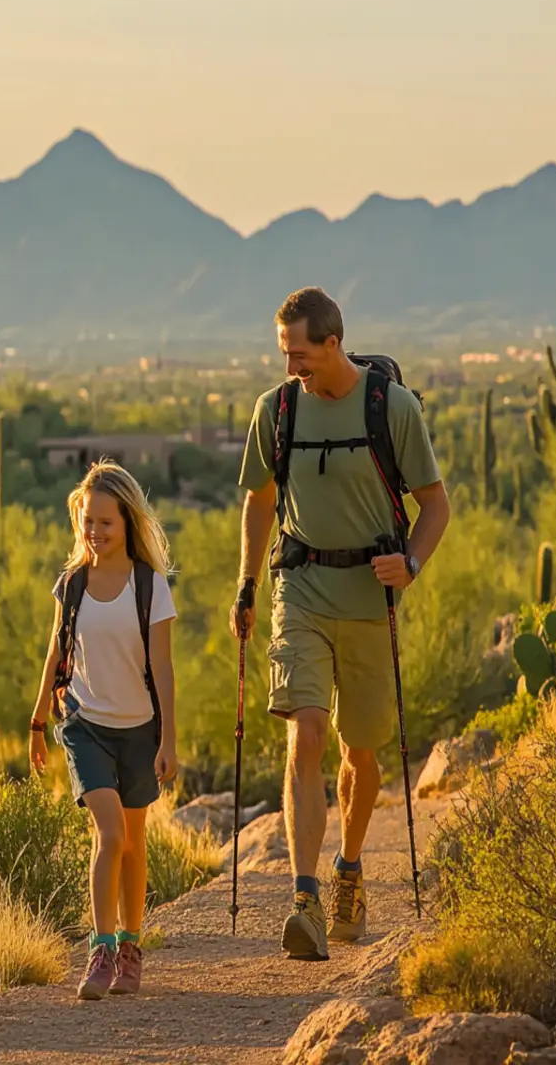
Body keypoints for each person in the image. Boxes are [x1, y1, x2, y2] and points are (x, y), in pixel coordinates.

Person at [230, 286, 450, 961]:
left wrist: (410, 563)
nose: (289, 362)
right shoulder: (277, 411)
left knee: (361, 751)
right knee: (306, 730)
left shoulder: (392, 408)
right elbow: (260, 504)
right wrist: (244, 585)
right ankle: (304, 899)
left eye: (299, 351)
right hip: (299, 587)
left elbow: (435, 506)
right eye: (283, 351)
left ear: (332, 344)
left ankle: (349, 869)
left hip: (369, 597)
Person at [27, 460, 178, 1001]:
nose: (95, 531)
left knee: (133, 844)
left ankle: (132, 948)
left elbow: (162, 668)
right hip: (84, 724)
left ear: (128, 523)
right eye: (88, 521)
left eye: (105, 523)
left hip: (138, 729)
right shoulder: (71, 584)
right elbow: (54, 652)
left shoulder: (150, 586)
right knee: (110, 833)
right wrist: (39, 717)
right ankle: (101, 949)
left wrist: (170, 740)